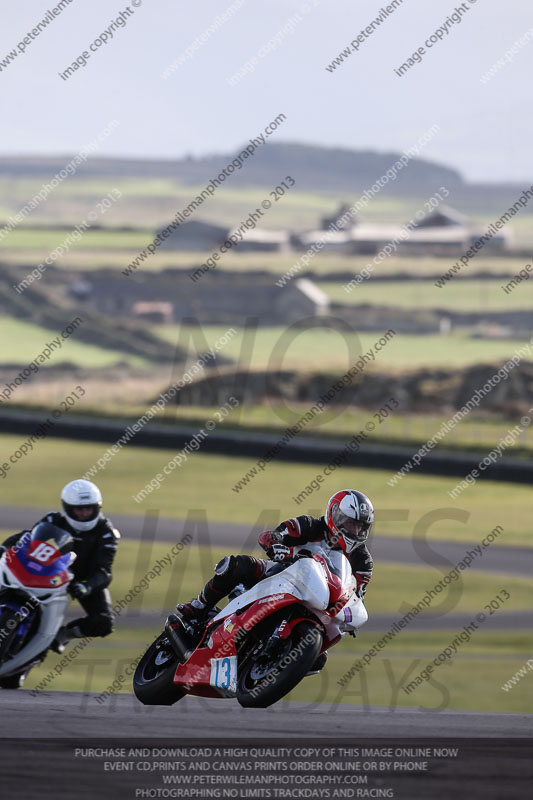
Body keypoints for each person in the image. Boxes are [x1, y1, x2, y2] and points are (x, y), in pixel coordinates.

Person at [177, 489, 374, 672]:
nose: (355, 531)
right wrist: (275, 545)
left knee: (318, 659)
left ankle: (267, 664)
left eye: (360, 527)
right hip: (283, 574)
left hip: (319, 601)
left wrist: (350, 615)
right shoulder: (309, 525)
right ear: (335, 516)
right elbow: (274, 535)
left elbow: (357, 596)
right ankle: (198, 607)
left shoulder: (363, 561)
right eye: (350, 523)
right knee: (236, 565)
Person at [1, 479, 120, 654]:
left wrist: (86, 586)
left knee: (103, 622)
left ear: (97, 508)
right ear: (67, 508)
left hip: (83, 578)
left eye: (89, 508)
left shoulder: (107, 532)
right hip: (49, 571)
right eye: (79, 509)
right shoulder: (53, 519)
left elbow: (104, 571)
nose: (85, 513)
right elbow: (27, 538)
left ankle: (62, 635)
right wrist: (5, 547)